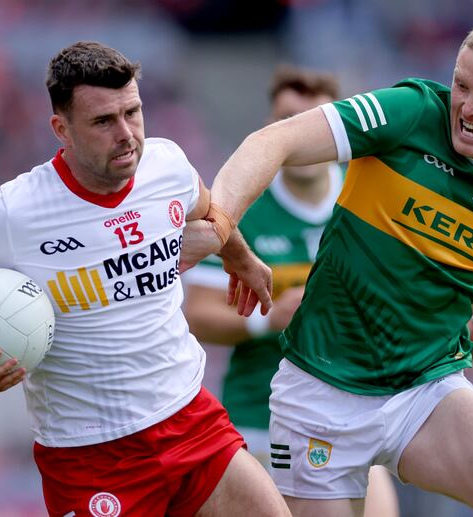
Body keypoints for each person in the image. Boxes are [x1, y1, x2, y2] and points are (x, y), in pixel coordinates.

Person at [0, 41, 289, 517]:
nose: (127, 134)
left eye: (133, 112)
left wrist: (243, 259)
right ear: (60, 129)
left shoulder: (167, 164)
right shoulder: (14, 212)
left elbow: (207, 210)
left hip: (191, 421)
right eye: (104, 121)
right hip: (91, 457)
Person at [202, 16, 473, 517]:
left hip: (426, 386)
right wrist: (223, 229)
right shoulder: (411, 111)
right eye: (461, 85)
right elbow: (271, 142)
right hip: (321, 393)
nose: (467, 107)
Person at [183, 65, 399, 517]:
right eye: (286, 120)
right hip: (262, 416)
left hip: (355, 414)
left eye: (312, 121)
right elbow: (197, 315)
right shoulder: (242, 209)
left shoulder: (370, 200)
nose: (298, 134)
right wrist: (269, 318)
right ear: (270, 129)